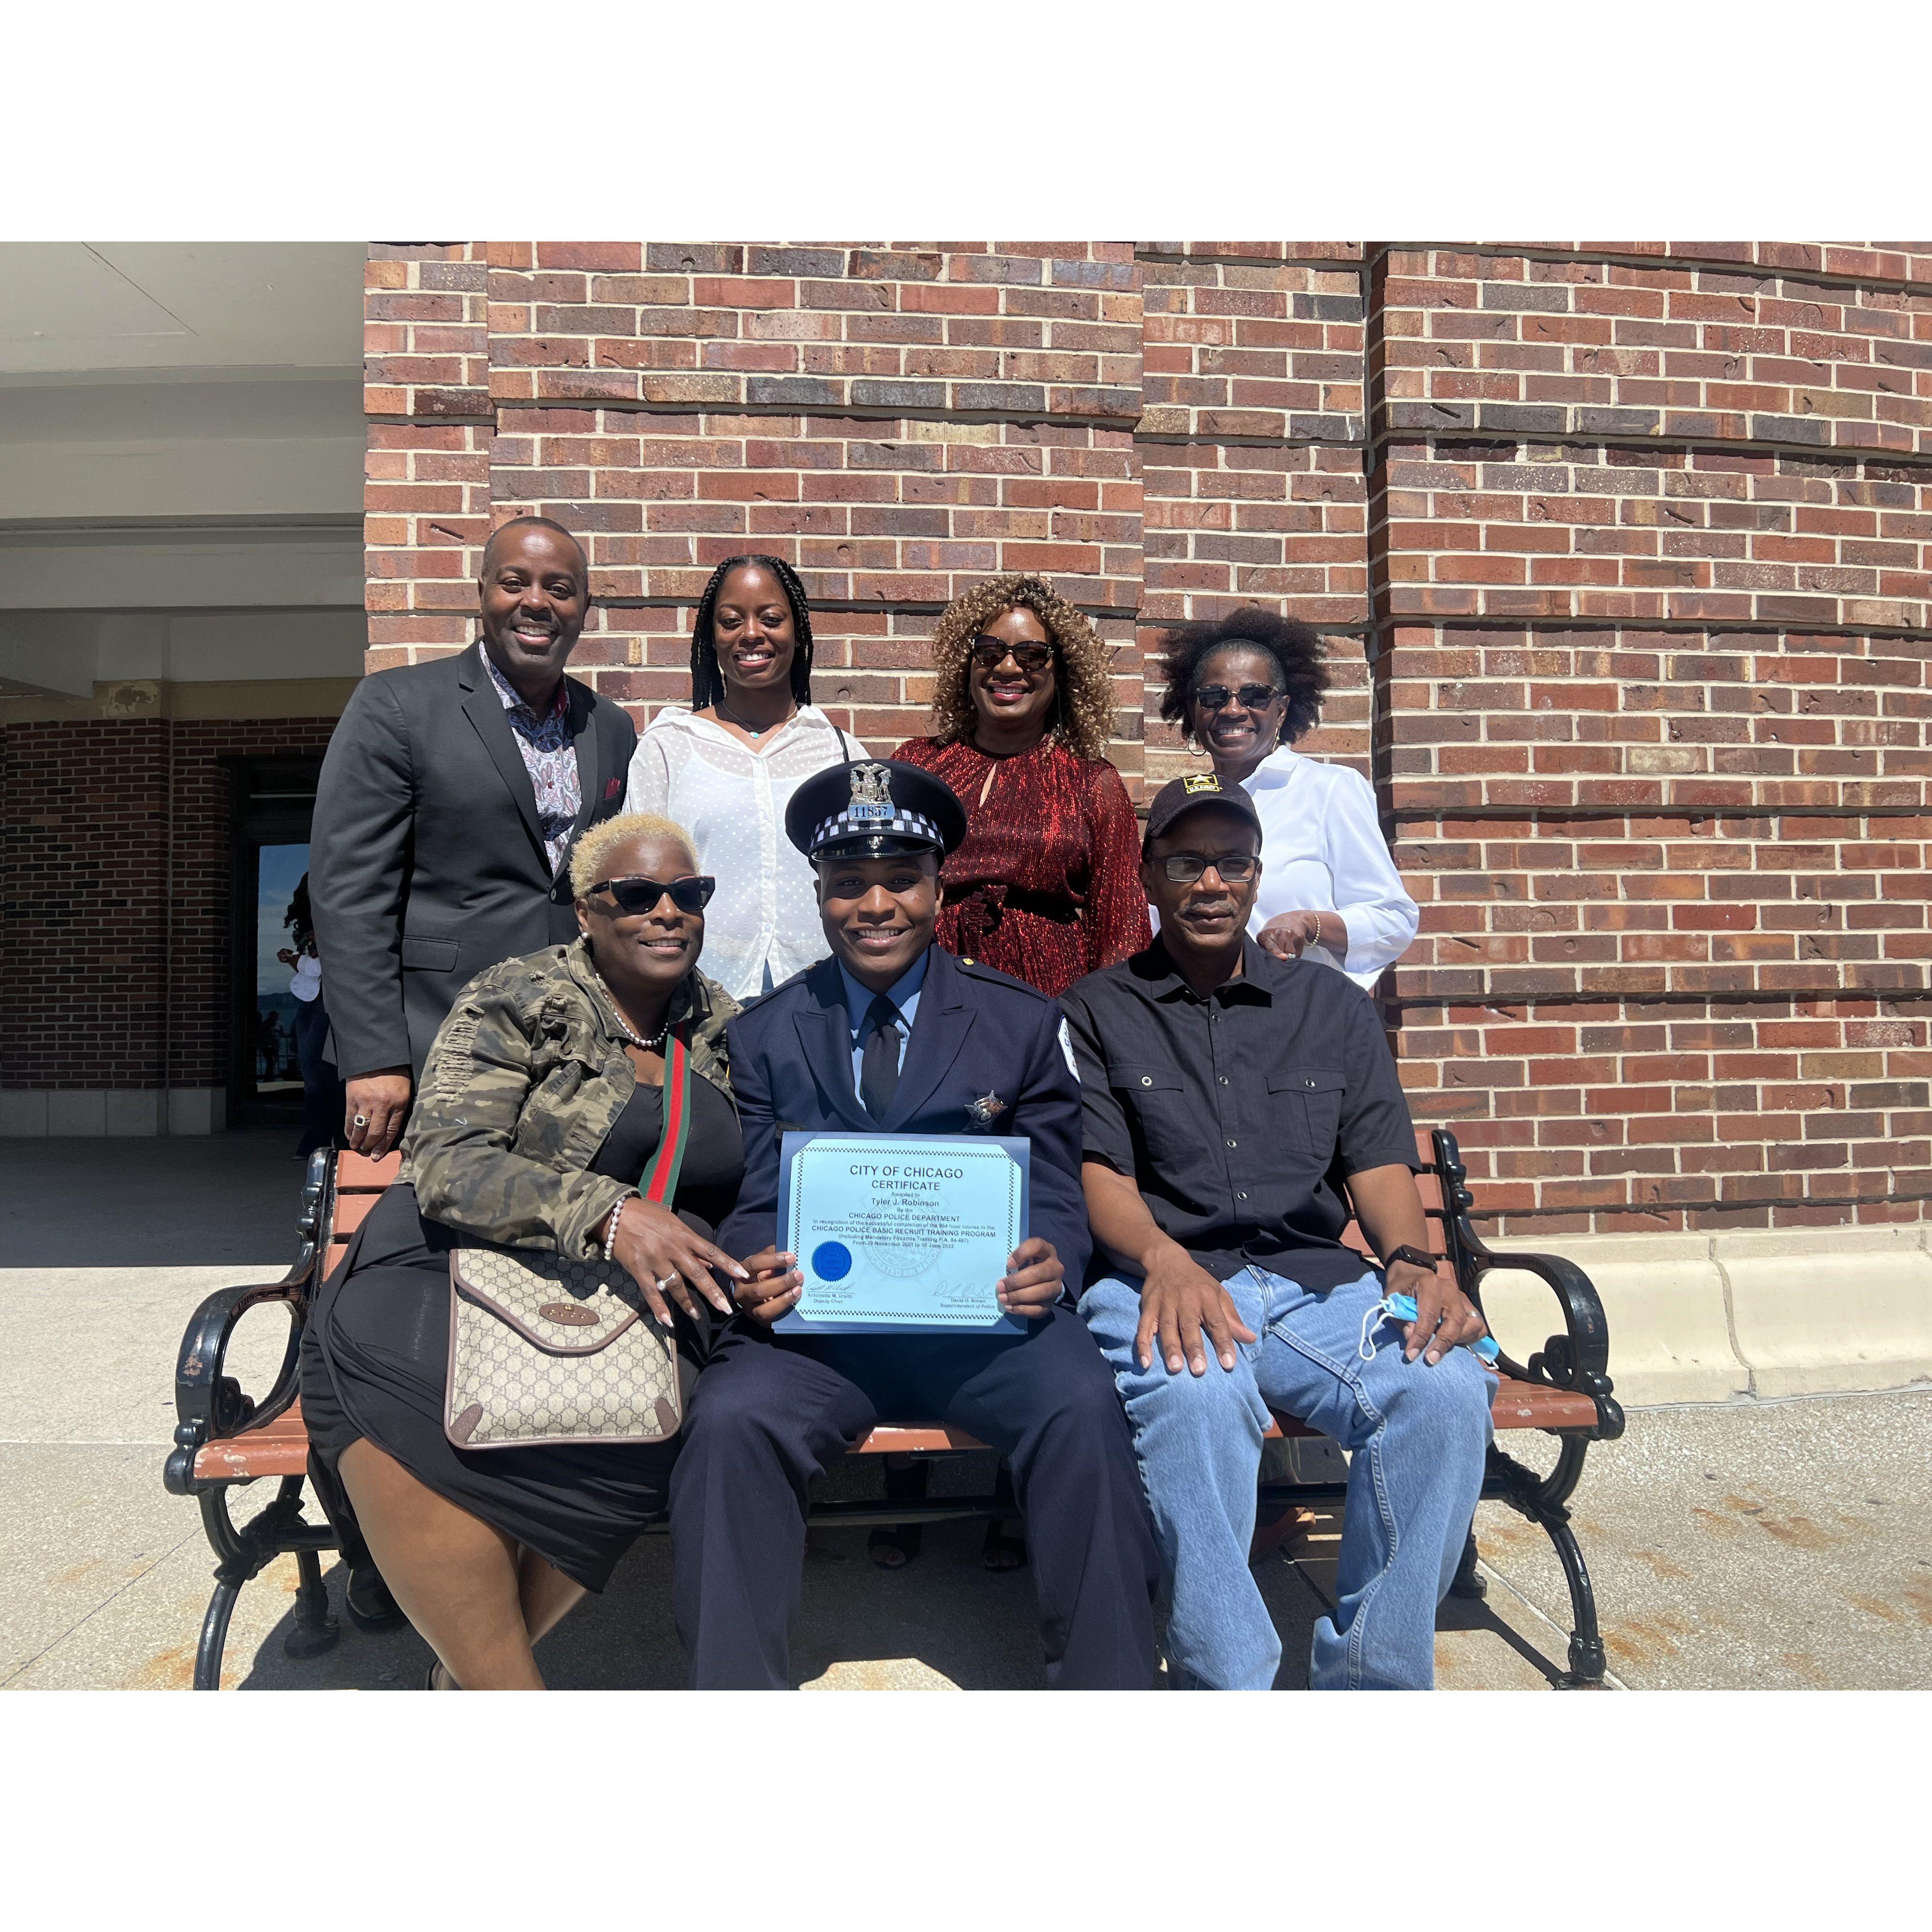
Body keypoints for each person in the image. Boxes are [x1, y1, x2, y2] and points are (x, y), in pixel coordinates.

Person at [667, 757, 1162, 1689]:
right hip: (820, 1334)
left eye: (899, 879)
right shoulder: (768, 1033)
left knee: (1085, 1406)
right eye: (848, 884)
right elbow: (754, 1192)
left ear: (938, 888)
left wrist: (1050, 1258)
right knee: (729, 1420)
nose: (875, 904)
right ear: (819, 897)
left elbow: (1057, 1180)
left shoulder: (1019, 1023)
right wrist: (751, 1267)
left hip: (985, 1330)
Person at [1061, 773, 1495, 1690]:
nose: (1209, 882)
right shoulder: (1096, 1009)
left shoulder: (1329, 1007)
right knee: (1195, 1395)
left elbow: (1378, 1163)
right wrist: (1164, 1261)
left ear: (1258, 877)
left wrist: (1416, 1263)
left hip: (1312, 1283)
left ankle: (1373, 1680)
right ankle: (1229, 1684)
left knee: (1446, 1388)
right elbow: (1099, 1170)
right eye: (1185, 862)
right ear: (1148, 875)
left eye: (1230, 861)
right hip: (1155, 1275)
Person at [299, 815, 748, 1689]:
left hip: (637, 1297)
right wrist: (609, 1213)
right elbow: (448, 1160)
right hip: (450, 1264)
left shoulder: (724, 1021)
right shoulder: (520, 995)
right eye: (637, 894)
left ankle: (461, 1682)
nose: (667, 912)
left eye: (688, 895)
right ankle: (504, 1691)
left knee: (651, 1421)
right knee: (405, 1398)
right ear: (587, 910)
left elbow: (759, 1171)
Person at [311, 514, 636, 1162]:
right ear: (482, 591)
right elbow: (350, 894)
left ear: (584, 607)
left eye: (560, 587)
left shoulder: (611, 727)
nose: (536, 602)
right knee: (422, 1250)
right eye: (515, 582)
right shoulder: (397, 707)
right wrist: (375, 1057)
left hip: (570, 1055)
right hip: (433, 1042)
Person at [892, 572, 1150, 997]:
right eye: (989, 651)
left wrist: (1102, 1029)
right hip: (925, 987)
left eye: (1032, 654)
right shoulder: (918, 765)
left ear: (1061, 669)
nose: (1008, 667)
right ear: (967, 663)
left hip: (1049, 1001)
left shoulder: (1091, 782)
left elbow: (1121, 932)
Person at [624, 555, 860, 1000]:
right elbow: (638, 879)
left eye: (771, 618)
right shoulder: (670, 746)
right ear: (711, 638)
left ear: (798, 632)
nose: (751, 633)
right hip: (698, 991)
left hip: (825, 991)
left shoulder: (839, 751)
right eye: (732, 621)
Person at [1155, 610, 1417, 990]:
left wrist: (1308, 925)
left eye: (1254, 695)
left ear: (1281, 710)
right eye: (1213, 696)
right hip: (1198, 1021)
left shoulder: (1329, 789)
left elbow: (1393, 920)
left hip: (1302, 1019)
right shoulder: (1184, 807)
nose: (1232, 709)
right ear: (1193, 710)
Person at [277, 873, 340, 1160]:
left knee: (320, 1074)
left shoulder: (333, 922)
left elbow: (327, 967)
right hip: (309, 1002)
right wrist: (296, 962)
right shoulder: (310, 925)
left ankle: (322, 1140)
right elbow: (312, 971)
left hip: (327, 1003)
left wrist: (297, 960)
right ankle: (321, 1139)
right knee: (314, 1072)